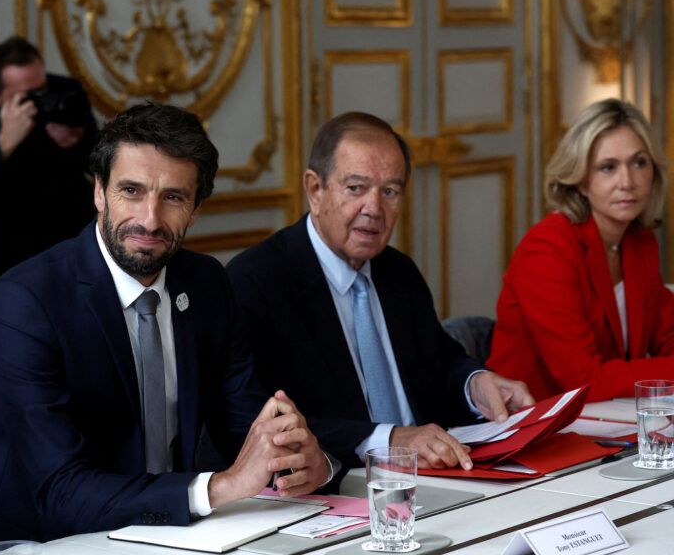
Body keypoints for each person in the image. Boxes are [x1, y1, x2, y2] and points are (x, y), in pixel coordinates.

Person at [0, 103, 332, 555]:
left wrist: (297, 462)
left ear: (195, 209)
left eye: (173, 197)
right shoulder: (24, 302)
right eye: (131, 191)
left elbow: (248, 429)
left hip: (172, 544)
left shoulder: (208, 284)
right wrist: (220, 487)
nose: (150, 220)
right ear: (98, 192)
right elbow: (59, 491)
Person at [226, 111, 534, 472]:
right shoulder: (257, 282)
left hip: (437, 477)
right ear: (315, 189)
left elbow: (439, 363)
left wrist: (475, 383)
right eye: (356, 188)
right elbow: (258, 423)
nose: (374, 209)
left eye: (390, 191)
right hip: (337, 489)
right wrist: (388, 440)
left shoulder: (397, 271)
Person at [488, 99, 674, 401]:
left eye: (639, 162)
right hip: (532, 428)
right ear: (580, 180)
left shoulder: (639, 241)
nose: (627, 182)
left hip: (607, 422)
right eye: (607, 168)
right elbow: (585, 379)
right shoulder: (547, 248)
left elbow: (667, 335)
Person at [0, 36, 98, 396]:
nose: (39, 97)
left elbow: (102, 159)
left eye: (40, 87)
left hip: (65, 237)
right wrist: (5, 142)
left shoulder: (66, 92)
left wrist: (77, 138)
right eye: (25, 94)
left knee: (77, 345)